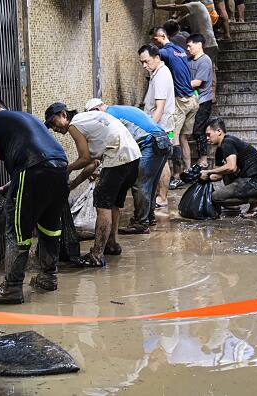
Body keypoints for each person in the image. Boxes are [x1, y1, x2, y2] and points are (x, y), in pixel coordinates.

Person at [0, 97, 69, 305]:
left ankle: (12, 288)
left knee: (17, 231)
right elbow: (38, 155)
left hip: (33, 171)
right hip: (60, 169)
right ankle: (48, 276)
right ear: (5, 109)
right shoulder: (27, 117)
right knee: (50, 227)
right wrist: (11, 185)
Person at [46, 102, 141, 267]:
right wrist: (74, 183)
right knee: (113, 204)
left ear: (63, 115)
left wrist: (67, 169)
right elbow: (93, 162)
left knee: (102, 204)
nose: (54, 129)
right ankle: (112, 244)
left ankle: (96, 254)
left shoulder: (75, 125)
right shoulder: (88, 119)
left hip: (118, 157)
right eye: (51, 127)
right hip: (133, 157)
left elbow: (84, 159)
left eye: (53, 123)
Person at [85, 98, 171, 235]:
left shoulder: (109, 116)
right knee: (151, 183)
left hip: (151, 143)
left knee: (140, 184)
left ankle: (140, 223)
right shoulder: (119, 109)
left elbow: (116, 144)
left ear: (97, 110)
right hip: (163, 140)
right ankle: (148, 217)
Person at [150, 25, 199, 190]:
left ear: (162, 36)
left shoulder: (164, 52)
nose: (154, 43)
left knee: (175, 138)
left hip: (181, 102)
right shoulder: (180, 49)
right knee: (184, 138)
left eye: (155, 39)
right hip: (193, 99)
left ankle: (177, 176)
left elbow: (155, 59)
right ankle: (188, 171)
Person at [200, 117, 257, 218]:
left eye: (208, 134)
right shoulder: (219, 150)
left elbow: (231, 167)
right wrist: (202, 177)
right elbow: (217, 176)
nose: (207, 138)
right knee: (225, 173)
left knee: (215, 197)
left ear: (219, 131)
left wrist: (209, 171)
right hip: (245, 180)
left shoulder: (227, 142)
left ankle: (255, 200)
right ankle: (233, 206)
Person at [154, 1, 219, 100]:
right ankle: (205, 95)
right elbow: (178, 23)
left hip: (206, 43)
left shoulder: (195, 5)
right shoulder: (194, 12)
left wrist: (157, 6)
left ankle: (210, 96)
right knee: (207, 68)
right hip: (207, 42)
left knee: (208, 69)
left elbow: (175, 6)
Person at [138, 44, 176, 208]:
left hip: (160, 127)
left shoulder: (161, 76)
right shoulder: (158, 73)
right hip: (161, 126)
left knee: (162, 162)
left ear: (156, 57)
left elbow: (159, 107)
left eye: (146, 61)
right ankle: (161, 196)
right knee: (163, 161)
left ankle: (162, 197)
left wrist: (149, 129)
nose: (144, 66)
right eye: (142, 63)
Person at [187, 34, 214, 169]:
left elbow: (197, 82)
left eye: (190, 45)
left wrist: (179, 84)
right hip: (192, 100)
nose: (188, 48)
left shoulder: (205, 61)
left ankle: (204, 159)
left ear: (199, 45)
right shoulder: (189, 60)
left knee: (198, 130)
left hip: (203, 100)